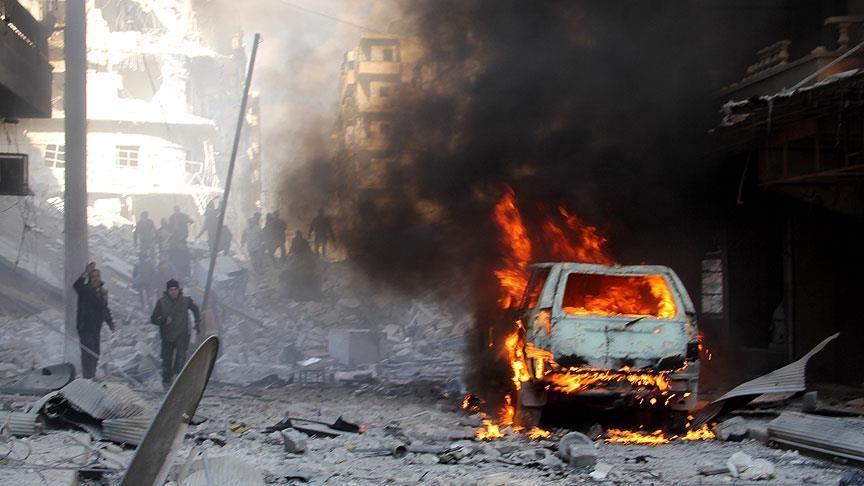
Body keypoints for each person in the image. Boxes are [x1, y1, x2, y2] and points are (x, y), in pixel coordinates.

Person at [150, 279, 201, 390]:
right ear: (167, 291)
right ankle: (166, 383)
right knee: (166, 361)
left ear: (179, 290)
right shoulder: (161, 302)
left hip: (182, 334)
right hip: (167, 335)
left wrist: (197, 323)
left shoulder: (186, 301)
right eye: (171, 290)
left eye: (175, 289)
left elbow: (196, 309)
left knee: (180, 357)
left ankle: (178, 379)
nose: (173, 292)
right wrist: (163, 320)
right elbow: (153, 319)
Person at [73, 262, 115, 379]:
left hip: (96, 328)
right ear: (90, 279)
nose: (96, 279)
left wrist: (110, 323)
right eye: (93, 277)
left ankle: (91, 376)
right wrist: (86, 272)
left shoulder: (103, 292)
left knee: (96, 353)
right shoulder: (85, 290)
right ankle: (87, 377)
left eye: (97, 276)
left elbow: (105, 309)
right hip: (85, 327)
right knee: (88, 353)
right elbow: (76, 285)